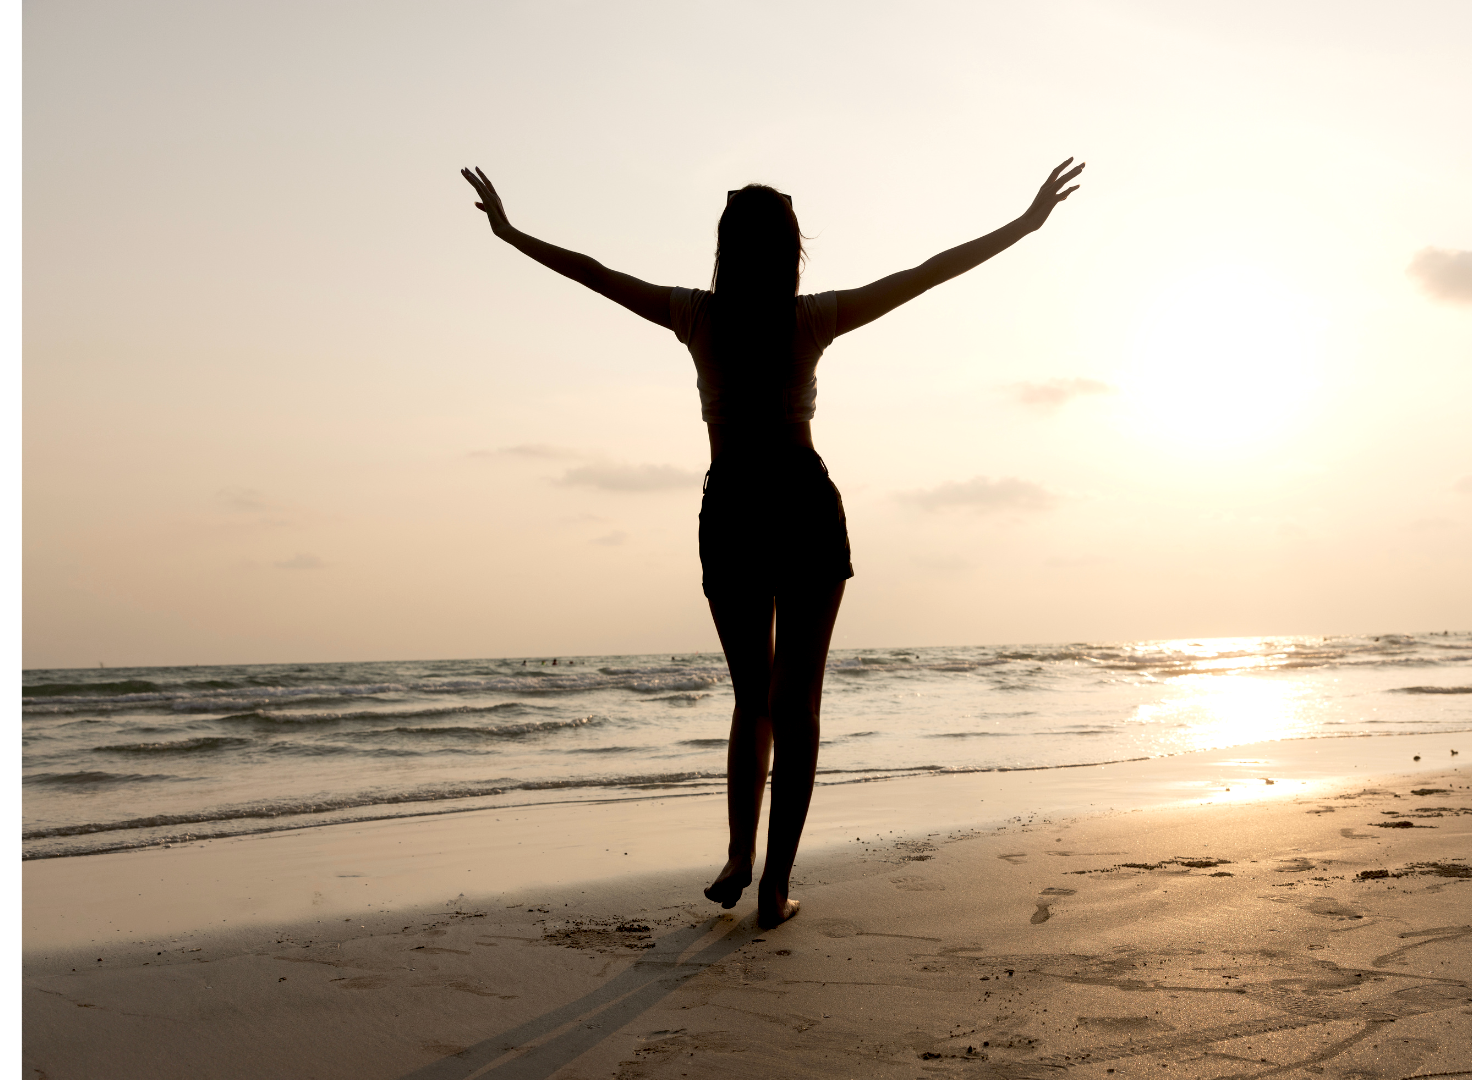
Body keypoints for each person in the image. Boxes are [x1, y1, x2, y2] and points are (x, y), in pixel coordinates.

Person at [461, 159, 1084, 928]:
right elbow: (927, 273)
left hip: (732, 507)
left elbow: (593, 273)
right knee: (798, 708)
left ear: (726, 247)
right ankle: (774, 886)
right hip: (800, 498)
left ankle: (737, 854)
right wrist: (1024, 225)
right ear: (791, 249)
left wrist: (510, 232)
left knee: (751, 701)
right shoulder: (811, 317)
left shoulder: (695, 315)